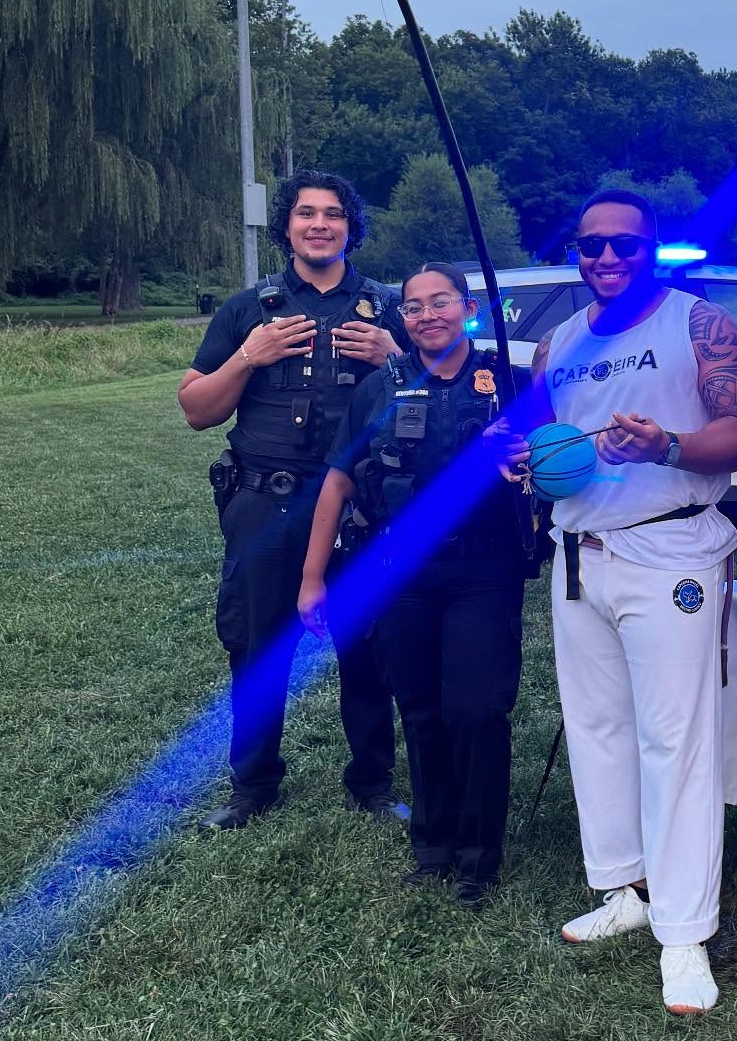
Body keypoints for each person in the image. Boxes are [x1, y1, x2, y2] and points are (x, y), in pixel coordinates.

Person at [514, 188, 737, 1016]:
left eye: (625, 244)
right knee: (598, 728)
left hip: (670, 552)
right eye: (592, 246)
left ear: (652, 247)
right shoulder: (558, 342)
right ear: (576, 254)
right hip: (579, 554)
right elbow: (548, 441)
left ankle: (685, 930)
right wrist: (522, 460)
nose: (608, 258)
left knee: (675, 739)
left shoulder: (700, 324)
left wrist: (668, 444)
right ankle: (628, 889)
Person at [178, 169, 407, 830]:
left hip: (362, 507)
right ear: (286, 226)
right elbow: (196, 410)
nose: (319, 224)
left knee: (368, 643)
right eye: (307, 213)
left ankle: (371, 780)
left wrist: (395, 355)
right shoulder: (249, 309)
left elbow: (440, 399)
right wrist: (247, 357)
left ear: (351, 227)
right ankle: (253, 784)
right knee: (256, 647)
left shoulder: (390, 307)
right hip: (267, 503)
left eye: (334, 213)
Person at [298, 263, 528, 908]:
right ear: (402, 318)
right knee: (420, 708)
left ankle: (479, 858)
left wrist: (525, 452)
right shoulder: (380, 388)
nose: (428, 315)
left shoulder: (507, 382)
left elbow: (555, 459)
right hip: (400, 571)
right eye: (415, 306)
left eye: (441, 302)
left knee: (476, 710)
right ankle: (433, 846)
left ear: (469, 308)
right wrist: (313, 579)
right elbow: (339, 482)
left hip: (484, 570)